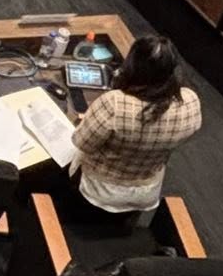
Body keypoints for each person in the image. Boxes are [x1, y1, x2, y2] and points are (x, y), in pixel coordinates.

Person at [71, 36, 202, 214]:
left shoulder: (114, 104)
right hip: (146, 190)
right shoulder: (190, 101)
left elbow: (82, 143)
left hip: (101, 191)